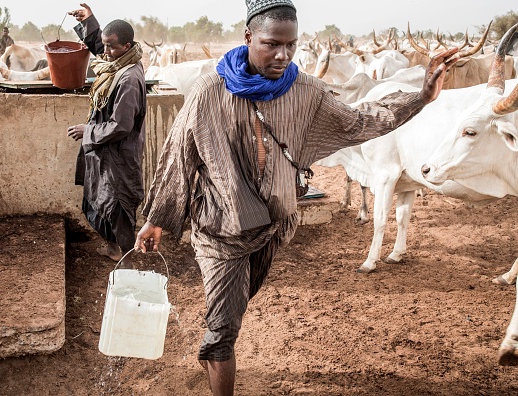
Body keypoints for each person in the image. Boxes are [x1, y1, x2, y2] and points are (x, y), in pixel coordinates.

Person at [134, 0, 457, 394]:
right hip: (221, 230)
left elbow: (359, 120)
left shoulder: (306, 92)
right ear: (248, 37)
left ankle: (216, 344)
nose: (283, 55)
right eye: (272, 44)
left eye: (291, 45)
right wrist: (157, 218)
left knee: (235, 307)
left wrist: (421, 96)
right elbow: (178, 155)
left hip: (272, 228)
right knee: (224, 329)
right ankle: (217, 348)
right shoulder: (207, 93)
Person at [67, 3, 147, 265]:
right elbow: (102, 46)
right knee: (98, 203)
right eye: (105, 46)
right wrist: (90, 21)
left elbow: (121, 125)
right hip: (105, 151)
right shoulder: (117, 62)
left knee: (118, 207)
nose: (106, 52)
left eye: (112, 46)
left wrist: (87, 130)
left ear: (127, 45)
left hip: (119, 155)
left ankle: (126, 259)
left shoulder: (128, 78)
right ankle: (114, 249)